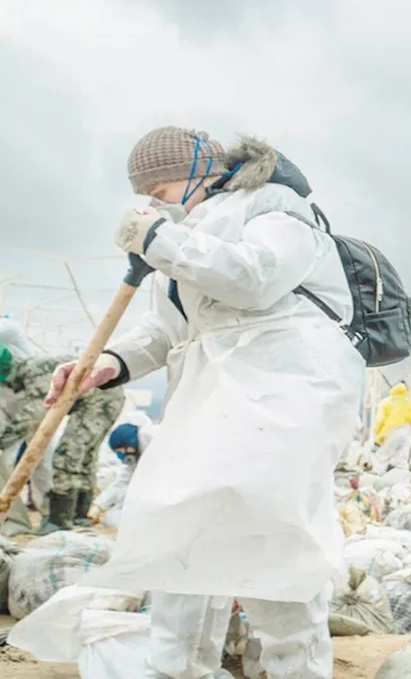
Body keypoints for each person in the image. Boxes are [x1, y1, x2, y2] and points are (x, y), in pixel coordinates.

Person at [45, 127, 364, 679]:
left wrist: (158, 242)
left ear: (199, 172)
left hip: (282, 388)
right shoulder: (189, 236)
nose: (155, 206)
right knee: (181, 529)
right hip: (214, 398)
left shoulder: (275, 209)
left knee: (269, 537)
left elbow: (255, 278)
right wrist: (110, 363)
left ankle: (295, 668)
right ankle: (177, 666)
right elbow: (172, 330)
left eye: (162, 193)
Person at [0, 341, 125, 535]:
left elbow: (31, 415)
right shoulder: (32, 369)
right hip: (107, 397)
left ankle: (58, 521)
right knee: (84, 459)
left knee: (67, 456)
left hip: (99, 400)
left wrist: (2, 440)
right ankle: (79, 516)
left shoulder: (35, 375)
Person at [92, 419, 158, 528]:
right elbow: (122, 482)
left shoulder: (155, 447)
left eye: (120, 451)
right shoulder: (137, 454)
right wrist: (99, 505)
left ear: (130, 442)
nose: (121, 455)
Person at [372, 382, 411, 473]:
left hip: (391, 430)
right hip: (407, 431)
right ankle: (401, 480)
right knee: (402, 460)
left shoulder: (386, 402)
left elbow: (380, 419)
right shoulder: (409, 403)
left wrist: (378, 434)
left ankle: (378, 477)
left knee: (383, 456)